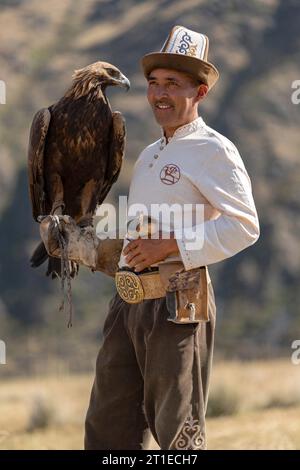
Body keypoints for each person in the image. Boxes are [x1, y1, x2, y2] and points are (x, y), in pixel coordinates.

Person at [83, 25, 260, 450]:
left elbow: (245, 226)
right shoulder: (148, 154)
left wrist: (172, 246)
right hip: (127, 302)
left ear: (200, 93)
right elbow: (141, 234)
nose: (159, 94)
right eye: (154, 83)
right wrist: (89, 246)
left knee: (178, 434)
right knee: (108, 430)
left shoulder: (215, 150)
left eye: (173, 85)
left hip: (180, 302)